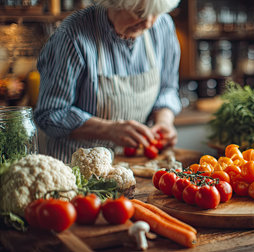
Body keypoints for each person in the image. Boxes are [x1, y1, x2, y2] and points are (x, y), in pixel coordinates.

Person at [34, 0, 182, 163]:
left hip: (133, 163)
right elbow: (50, 113)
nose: (148, 23)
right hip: (76, 168)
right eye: (140, 13)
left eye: (156, 13)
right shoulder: (72, 35)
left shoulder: (163, 27)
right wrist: (107, 130)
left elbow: (167, 89)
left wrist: (164, 121)